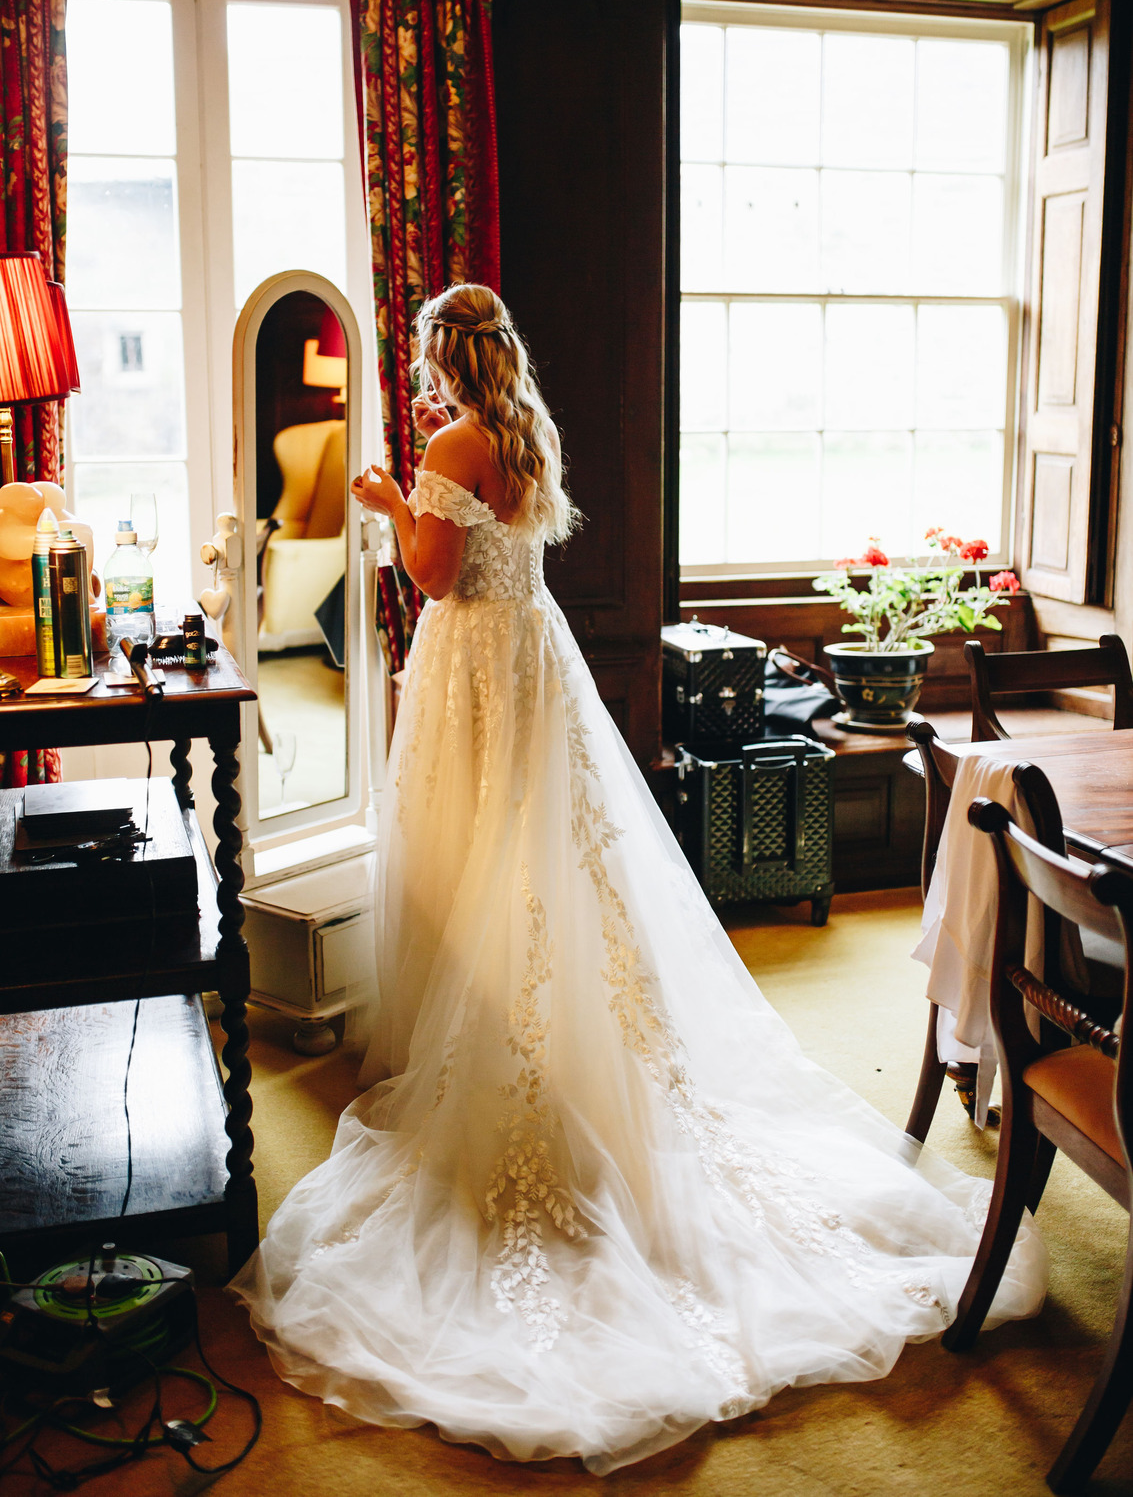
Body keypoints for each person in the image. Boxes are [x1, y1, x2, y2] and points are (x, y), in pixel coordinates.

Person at [230, 283, 1046, 1475]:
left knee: (486, 872)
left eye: (421, 355)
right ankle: (561, 1037)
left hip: (474, 669)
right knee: (542, 864)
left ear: (441, 358)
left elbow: (440, 578)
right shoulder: (526, 426)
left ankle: (515, 1056)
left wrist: (386, 504)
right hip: (532, 664)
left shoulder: (452, 441)